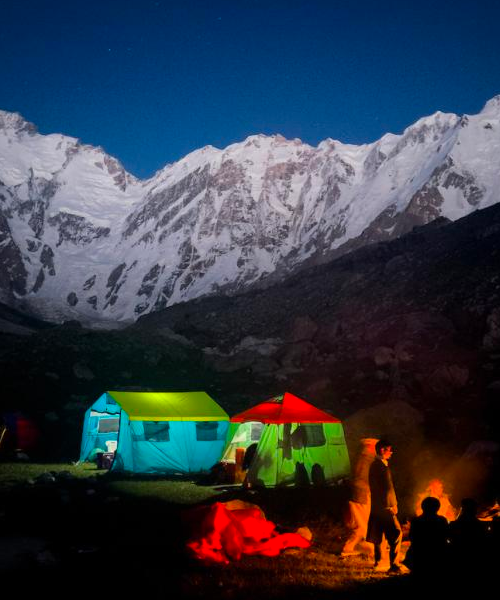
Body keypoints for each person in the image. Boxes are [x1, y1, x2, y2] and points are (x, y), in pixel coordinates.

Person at [366, 439, 402, 572]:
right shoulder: (377, 466)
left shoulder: (380, 465)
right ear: (382, 450)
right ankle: (394, 564)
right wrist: (391, 504)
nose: (391, 452)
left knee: (379, 534)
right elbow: (384, 488)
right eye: (389, 449)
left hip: (380, 506)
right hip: (384, 506)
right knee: (396, 533)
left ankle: (380, 562)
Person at [341, 438, 378, 557]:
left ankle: (349, 548)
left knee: (362, 525)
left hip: (360, 495)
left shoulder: (364, 459)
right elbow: (362, 480)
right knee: (363, 526)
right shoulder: (366, 459)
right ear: (370, 447)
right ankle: (373, 551)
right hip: (361, 496)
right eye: (375, 447)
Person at [403, 496, 449, 577]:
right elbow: (447, 536)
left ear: (423, 507)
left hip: (418, 557)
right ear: (437, 508)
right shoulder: (442, 520)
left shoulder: (416, 521)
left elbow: (411, 537)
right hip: (438, 556)